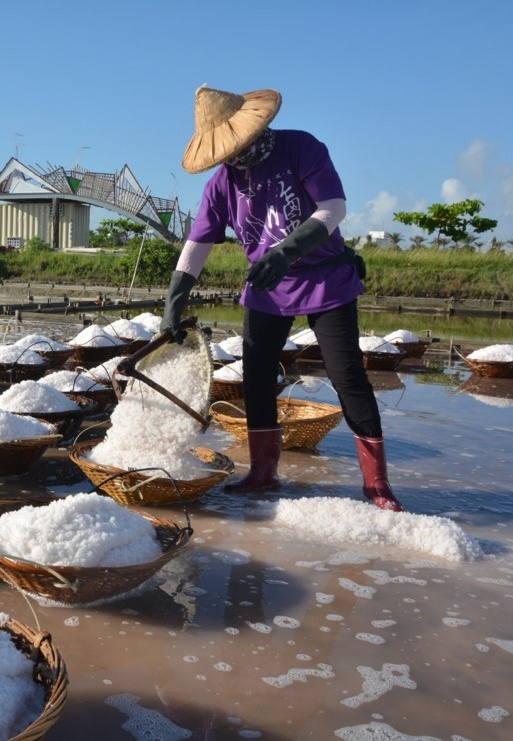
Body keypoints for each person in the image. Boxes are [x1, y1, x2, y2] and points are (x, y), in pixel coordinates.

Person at [160, 85, 402, 512]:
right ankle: (262, 472)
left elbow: (332, 209)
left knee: (346, 374)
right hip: (268, 284)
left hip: (324, 277)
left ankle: (377, 483)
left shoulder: (300, 147)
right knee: (255, 377)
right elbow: (197, 243)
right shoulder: (222, 183)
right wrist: (173, 303)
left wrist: (286, 251)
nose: (233, 157)